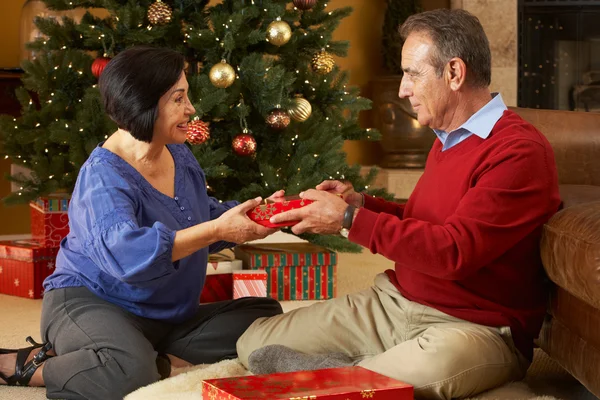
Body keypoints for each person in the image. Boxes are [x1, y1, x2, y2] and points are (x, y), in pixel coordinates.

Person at [236, 9, 561, 400]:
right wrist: (361, 203)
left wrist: (348, 220)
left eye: (412, 74)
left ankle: (355, 378)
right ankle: (362, 375)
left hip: (475, 329)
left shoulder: (518, 151)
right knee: (253, 343)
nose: (403, 89)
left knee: (398, 379)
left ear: (454, 73)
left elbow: (453, 251)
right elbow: (426, 223)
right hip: (395, 303)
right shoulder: (448, 138)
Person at [0, 46, 283, 399]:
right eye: (179, 98)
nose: (191, 109)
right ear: (144, 104)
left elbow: (196, 218)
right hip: (93, 301)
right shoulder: (102, 177)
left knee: (264, 316)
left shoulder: (177, 152)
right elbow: (127, 258)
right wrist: (218, 230)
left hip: (166, 314)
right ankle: (25, 366)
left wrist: (259, 216)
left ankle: (145, 357)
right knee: (129, 373)